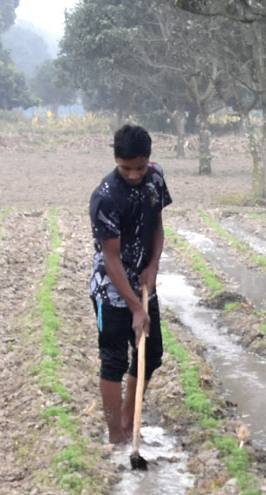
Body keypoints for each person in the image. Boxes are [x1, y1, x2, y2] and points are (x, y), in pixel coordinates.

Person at [89, 123, 171, 461]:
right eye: (126, 168)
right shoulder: (106, 197)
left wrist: (153, 265)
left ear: (148, 160)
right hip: (112, 290)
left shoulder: (156, 177)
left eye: (140, 167)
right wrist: (136, 308)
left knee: (150, 355)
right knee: (114, 360)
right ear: (115, 160)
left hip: (142, 283)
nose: (135, 175)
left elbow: (156, 226)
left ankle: (128, 418)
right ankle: (115, 434)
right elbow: (111, 259)